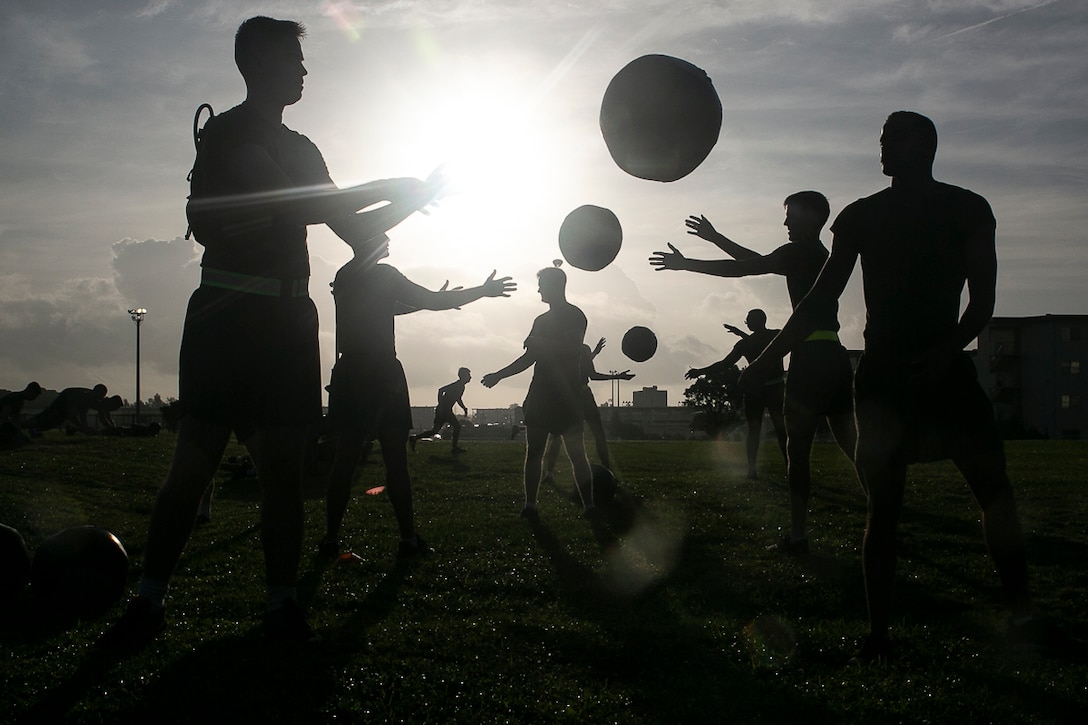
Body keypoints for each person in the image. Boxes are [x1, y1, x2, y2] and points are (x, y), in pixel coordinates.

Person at [99, 16, 443, 650]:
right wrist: (397, 184)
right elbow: (298, 203)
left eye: (302, 61)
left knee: (283, 474)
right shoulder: (233, 134)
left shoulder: (306, 147)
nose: (303, 71)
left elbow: (354, 230)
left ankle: (280, 606)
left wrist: (416, 198)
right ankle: (148, 600)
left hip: (288, 322)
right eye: (292, 60)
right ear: (254, 65)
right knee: (195, 462)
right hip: (227, 318)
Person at [743, 111, 1037, 661]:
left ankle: (1023, 615)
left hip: (947, 376)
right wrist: (767, 356)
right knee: (884, 508)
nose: (882, 146)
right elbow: (818, 301)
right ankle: (879, 636)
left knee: (995, 495)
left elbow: (984, 302)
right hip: (880, 381)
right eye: (880, 138)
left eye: (894, 138)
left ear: (926, 145)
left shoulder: (968, 208)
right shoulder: (859, 217)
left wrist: (948, 349)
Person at [649, 191, 856, 553]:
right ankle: (884, 514)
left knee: (798, 452)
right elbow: (758, 261)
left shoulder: (800, 252)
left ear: (811, 218)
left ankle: (797, 537)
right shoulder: (818, 254)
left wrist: (687, 264)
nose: (786, 222)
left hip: (809, 358)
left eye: (791, 215)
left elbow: (746, 268)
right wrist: (715, 239)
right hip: (835, 354)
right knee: (853, 446)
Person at [320, 233, 515, 560]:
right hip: (382, 371)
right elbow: (426, 301)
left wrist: (439, 299)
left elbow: (390, 309)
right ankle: (408, 540)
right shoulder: (385, 274)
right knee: (395, 458)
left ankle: (330, 540)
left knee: (345, 459)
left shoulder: (345, 275)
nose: (387, 238)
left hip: (350, 370)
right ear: (369, 243)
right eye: (380, 233)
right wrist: (480, 291)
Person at [482, 265, 596, 519]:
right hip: (541, 394)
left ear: (555, 286)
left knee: (578, 455)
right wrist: (499, 375)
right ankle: (530, 506)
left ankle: (590, 507)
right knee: (533, 452)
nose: (538, 289)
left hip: (567, 395)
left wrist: (541, 343)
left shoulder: (575, 316)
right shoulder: (540, 321)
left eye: (542, 284)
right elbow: (529, 358)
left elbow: (570, 348)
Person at [686, 309, 787, 480]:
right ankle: (789, 466)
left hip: (756, 391)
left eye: (747, 320)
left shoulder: (746, 344)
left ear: (753, 322)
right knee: (781, 431)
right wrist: (741, 334)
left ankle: (752, 470)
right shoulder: (776, 336)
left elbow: (724, 364)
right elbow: (763, 346)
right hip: (773, 389)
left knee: (755, 431)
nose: (746, 322)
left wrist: (700, 371)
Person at [540, 337, 632, 486]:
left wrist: (594, 353)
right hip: (582, 395)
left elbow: (579, 365)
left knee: (557, 436)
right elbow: (591, 374)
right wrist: (617, 376)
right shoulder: (582, 349)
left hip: (566, 396)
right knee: (598, 434)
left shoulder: (559, 348)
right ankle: (608, 472)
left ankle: (549, 474)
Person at [409, 368, 472, 455]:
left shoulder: (461, 386)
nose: (470, 377)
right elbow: (441, 390)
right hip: (444, 411)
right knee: (455, 427)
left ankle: (414, 438)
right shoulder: (457, 385)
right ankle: (454, 448)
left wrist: (464, 408)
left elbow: (458, 398)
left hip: (446, 411)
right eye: (468, 375)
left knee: (435, 431)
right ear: (463, 376)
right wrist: (441, 405)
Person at [28, 384, 109, 434]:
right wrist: (83, 428)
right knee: (51, 416)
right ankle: (26, 424)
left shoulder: (94, 398)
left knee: (57, 421)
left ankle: (34, 429)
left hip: (69, 399)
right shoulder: (84, 397)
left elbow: (83, 414)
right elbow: (73, 415)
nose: (98, 399)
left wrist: (84, 427)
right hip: (65, 398)